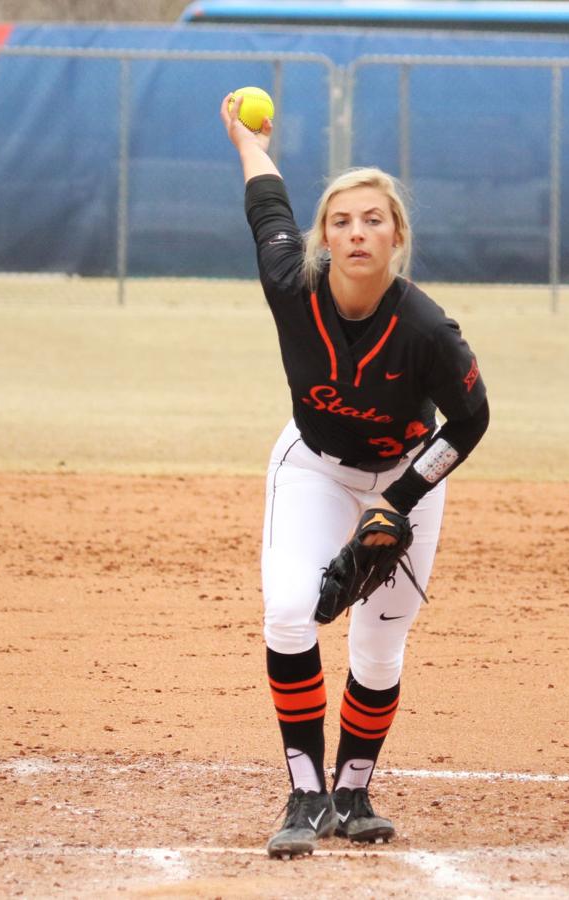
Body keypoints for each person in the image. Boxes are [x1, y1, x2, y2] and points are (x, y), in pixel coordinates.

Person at [220, 92, 490, 858]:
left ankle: (354, 788)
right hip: (313, 466)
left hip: (408, 476)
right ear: (324, 238)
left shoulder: (427, 330)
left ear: (397, 236)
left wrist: (399, 503)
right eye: (341, 220)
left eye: (373, 218)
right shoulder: (290, 283)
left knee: (378, 648)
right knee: (288, 611)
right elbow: (264, 199)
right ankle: (305, 790)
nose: (356, 231)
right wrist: (248, 138)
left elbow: (470, 423)